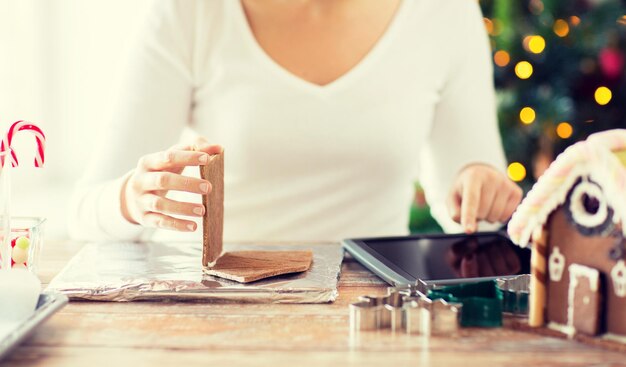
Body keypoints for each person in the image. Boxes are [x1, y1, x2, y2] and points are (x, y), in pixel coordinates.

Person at [68, 0, 523, 243]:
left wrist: (479, 189)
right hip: (213, 314)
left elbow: (468, 209)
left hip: (372, 314)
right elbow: (84, 211)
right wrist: (132, 199)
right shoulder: (188, 11)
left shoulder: (444, 12)